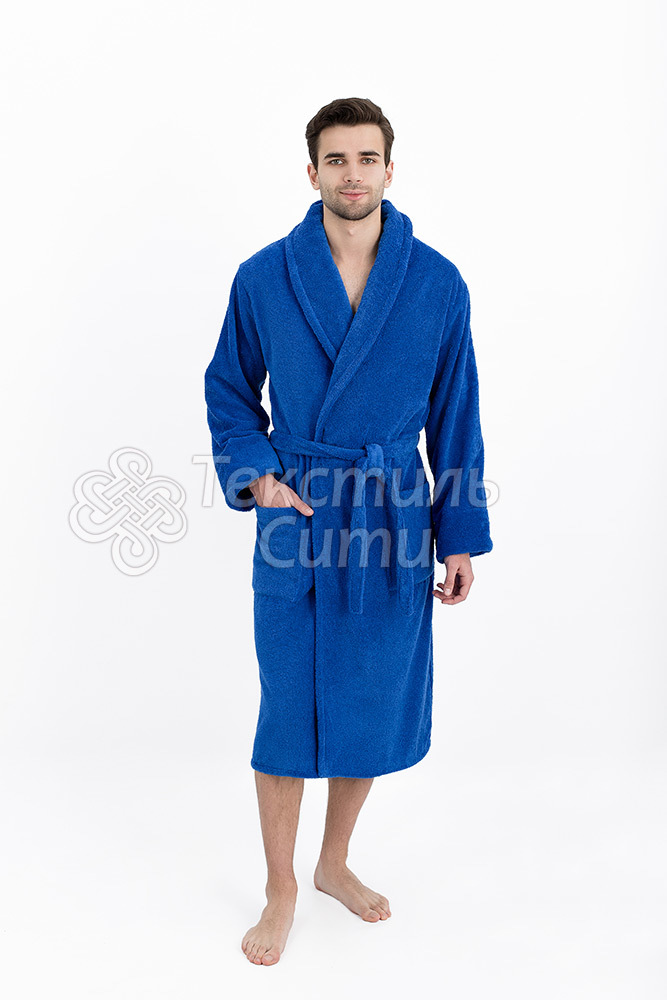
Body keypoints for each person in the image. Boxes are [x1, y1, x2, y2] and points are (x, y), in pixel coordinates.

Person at [204, 97, 493, 966]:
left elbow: (456, 416)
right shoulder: (263, 276)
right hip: (296, 510)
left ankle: (331, 863)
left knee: (368, 696)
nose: (352, 174)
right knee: (286, 708)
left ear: (389, 169)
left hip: (390, 517)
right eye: (336, 159)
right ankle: (280, 887)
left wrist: (457, 534)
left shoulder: (436, 283)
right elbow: (228, 388)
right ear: (312, 173)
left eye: (367, 158)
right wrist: (258, 477)